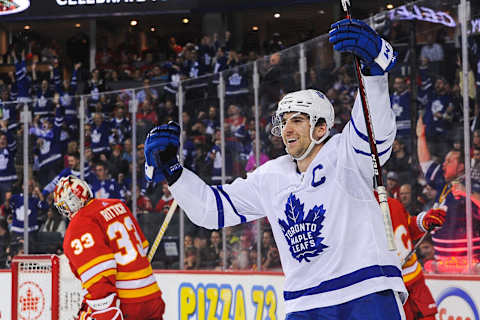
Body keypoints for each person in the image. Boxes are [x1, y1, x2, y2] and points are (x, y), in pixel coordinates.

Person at [145, 19, 407, 319]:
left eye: (297, 119)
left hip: (366, 290)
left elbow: (376, 131)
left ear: (321, 127)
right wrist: (173, 171)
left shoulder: (346, 153)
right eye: (284, 122)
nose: (287, 129)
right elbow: (211, 209)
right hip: (305, 303)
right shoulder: (271, 176)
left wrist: (373, 70)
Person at [53, 175, 165, 320]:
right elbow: (142, 248)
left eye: (64, 206)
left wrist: (105, 313)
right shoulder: (118, 205)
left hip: (125, 303)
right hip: (151, 297)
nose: (65, 212)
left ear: (73, 202)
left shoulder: (79, 225)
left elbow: (99, 276)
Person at [381, 194, 446, 320]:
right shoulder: (356, 212)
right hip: (391, 289)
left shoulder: (393, 203)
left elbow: (406, 226)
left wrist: (424, 221)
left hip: (415, 281)